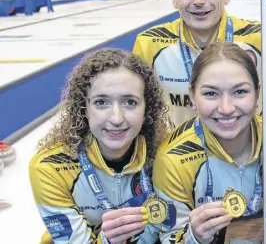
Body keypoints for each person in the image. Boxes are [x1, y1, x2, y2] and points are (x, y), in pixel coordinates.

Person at [29, 48, 171, 244]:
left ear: (147, 107)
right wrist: (108, 240)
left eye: (130, 102)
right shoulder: (50, 167)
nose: (116, 118)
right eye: (101, 102)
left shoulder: (169, 154)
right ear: (83, 108)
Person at [133, 0, 262, 127]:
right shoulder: (149, 44)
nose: (198, 0)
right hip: (176, 153)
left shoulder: (262, 39)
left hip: (248, 154)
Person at [153, 42, 263, 244]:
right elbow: (170, 238)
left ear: (257, 93)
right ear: (193, 96)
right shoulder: (173, 159)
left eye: (239, 92)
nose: (226, 108)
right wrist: (195, 237)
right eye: (211, 93)